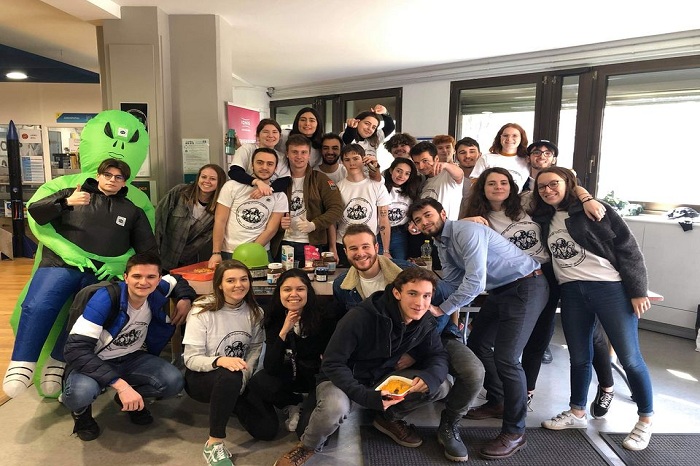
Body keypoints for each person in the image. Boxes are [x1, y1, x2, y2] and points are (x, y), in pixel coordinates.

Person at [462, 168, 614, 416]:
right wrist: (465, 222)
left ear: (512, 186)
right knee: (532, 338)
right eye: (492, 183)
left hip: (552, 270)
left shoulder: (525, 202)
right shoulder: (481, 218)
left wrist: (587, 198)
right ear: (482, 188)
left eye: (504, 182)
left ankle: (607, 386)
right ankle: (523, 393)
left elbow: (565, 182)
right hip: (517, 279)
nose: (498, 187)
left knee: (590, 332)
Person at [3, 158, 159, 398]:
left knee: (86, 317)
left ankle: (58, 362)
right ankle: (22, 361)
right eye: (108, 175)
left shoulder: (132, 211)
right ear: (99, 176)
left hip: (100, 273)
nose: (112, 180)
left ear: (125, 182)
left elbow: (147, 249)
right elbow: (35, 212)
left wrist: (119, 264)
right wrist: (65, 203)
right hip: (60, 264)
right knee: (39, 305)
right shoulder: (72, 193)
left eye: (118, 177)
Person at [409, 197, 549, 460]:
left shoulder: (466, 231)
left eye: (428, 215)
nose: (424, 222)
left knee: (507, 359)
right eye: (418, 220)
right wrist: (419, 289)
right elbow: (452, 280)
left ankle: (515, 432)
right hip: (500, 291)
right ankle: (498, 401)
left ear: (442, 213)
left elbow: (475, 281)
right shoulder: (441, 242)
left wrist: (442, 309)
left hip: (526, 285)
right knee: (478, 344)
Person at [333, 224, 485, 462]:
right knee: (436, 384)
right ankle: (388, 416)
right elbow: (344, 325)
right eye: (353, 248)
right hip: (394, 343)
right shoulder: (343, 285)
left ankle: (449, 425)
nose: (360, 253)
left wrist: (415, 350)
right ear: (345, 252)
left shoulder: (405, 270)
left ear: (377, 247)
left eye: (365, 246)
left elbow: (440, 301)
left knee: (473, 372)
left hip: (435, 335)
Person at [274, 267, 451, 466]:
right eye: (412, 293)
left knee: (440, 385)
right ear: (397, 293)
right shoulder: (361, 316)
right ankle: (307, 447)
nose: (420, 303)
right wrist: (365, 396)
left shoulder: (425, 320)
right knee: (334, 408)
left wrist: (431, 377)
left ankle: (387, 418)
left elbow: (438, 355)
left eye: (426, 296)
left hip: (381, 378)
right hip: (343, 379)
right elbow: (332, 363)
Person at [532, 167, 654, 451]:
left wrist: (638, 290)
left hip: (609, 288)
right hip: (572, 292)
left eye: (554, 184)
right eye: (542, 187)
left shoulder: (594, 209)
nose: (548, 190)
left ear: (568, 184)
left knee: (629, 358)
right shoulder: (545, 218)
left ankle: (645, 420)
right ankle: (577, 412)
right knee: (579, 357)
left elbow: (628, 248)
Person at [62, 252, 196, 441]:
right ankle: (82, 414)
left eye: (151, 277)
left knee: (173, 381)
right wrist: (121, 385)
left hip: (132, 357)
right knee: (79, 394)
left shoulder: (157, 290)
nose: (143, 282)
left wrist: (185, 299)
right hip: (96, 359)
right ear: (125, 277)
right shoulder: (105, 299)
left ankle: (132, 401)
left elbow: (177, 279)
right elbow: (75, 350)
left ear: (158, 279)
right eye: (136, 276)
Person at [183, 259, 273, 466]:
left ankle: (228, 401)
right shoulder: (201, 311)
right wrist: (220, 361)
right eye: (230, 280)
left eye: (243, 279)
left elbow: (255, 349)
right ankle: (214, 443)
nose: (238, 285)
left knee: (267, 430)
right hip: (202, 377)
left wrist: (245, 378)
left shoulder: (255, 312)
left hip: (238, 378)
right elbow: (191, 359)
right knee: (229, 374)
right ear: (220, 285)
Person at [247, 268, 337, 436]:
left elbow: (328, 357)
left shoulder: (324, 315)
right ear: (279, 293)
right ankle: (293, 403)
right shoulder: (274, 316)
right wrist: (284, 331)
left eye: (300, 289)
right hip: (289, 375)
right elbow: (271, 366)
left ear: (308, 292)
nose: (293, 294)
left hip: (316, 378)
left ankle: (310, 404)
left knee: (304, 431)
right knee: (259, 382)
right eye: (287, 289)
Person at [209, 147, 288, 269]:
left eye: (270, 164)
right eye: (260, 162)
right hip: (229, 251)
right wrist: (216, 253)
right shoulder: (231, 186)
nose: (264, 167)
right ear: (252, 165)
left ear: (275, 168)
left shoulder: (280, 196)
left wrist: (250, 251)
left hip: (260, 251)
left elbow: (271, 229)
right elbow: (220, 221)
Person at [277, 134, 344, 262]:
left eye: (303, 152)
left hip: (313, 244)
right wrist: (279, 224)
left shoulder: (321, 179)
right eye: (294, 152)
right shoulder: (279, 181)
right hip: (283, 243)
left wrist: (314, 224)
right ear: (287, 154)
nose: (299, 156)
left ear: (309, 155)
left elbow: (336, 209)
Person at [155, 163, 227, 271]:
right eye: (203, 177)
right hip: (162, 254)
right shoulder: (179, 192)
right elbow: (159, 218)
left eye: (212, 179)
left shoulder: (220, 207)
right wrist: (154, 249)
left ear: (220, 182)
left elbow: (204, 238)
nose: (207, 181)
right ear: (198, 178)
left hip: (188, 262)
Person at [329, 144, 391, 266]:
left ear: (363, 160)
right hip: (344, 243)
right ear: (342, 162)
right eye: (347, 160)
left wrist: (386, 250)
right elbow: (332, 221)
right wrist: (333, 249)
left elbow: (383, 219)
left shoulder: (377, 186)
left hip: (369, 243)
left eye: (356, 158)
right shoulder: (337, 188)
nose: (352, 163)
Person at [228, 118, 291, 195]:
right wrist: (257, 182)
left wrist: (267, 190)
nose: (270, 135)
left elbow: (285, 180)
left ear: (280, 136)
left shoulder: (282, 157)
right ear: (257, 135)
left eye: (274, 132)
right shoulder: (247, 149)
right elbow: (234, 172)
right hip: (244, 194)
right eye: (266, 132)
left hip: (269, 197)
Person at [410, 141, 463, 221]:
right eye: (417, 163)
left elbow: (459, 174)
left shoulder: (447, 174)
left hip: (448, 226)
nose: (421, 166)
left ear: (436, 159)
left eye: (425, 161)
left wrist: (446, 165)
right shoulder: (421, 181)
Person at [470, 123, 531, 192]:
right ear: (500, 138)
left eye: (514, 136)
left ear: (521, 138)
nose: (509, 139)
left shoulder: (527, 160)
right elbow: (474, 183)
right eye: (505, 135)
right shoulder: (486, 158)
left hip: (517, 198)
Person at [382, 157, 421, 260]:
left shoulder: (412, 190)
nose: (402, 176)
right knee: (381, 263)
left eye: (407, 173)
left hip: (399, 232)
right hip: (380, 232)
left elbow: (414, 211)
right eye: (399, 171)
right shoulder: (381, 187)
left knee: (400, 263)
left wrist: (413, 223)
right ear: (391, 170)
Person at [454, 137, 482, 219]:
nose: (467, 156)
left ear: (480, 155)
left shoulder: (486, 178)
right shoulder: (450, 177)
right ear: (456, 157)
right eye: (462, 152)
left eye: (472, 151)